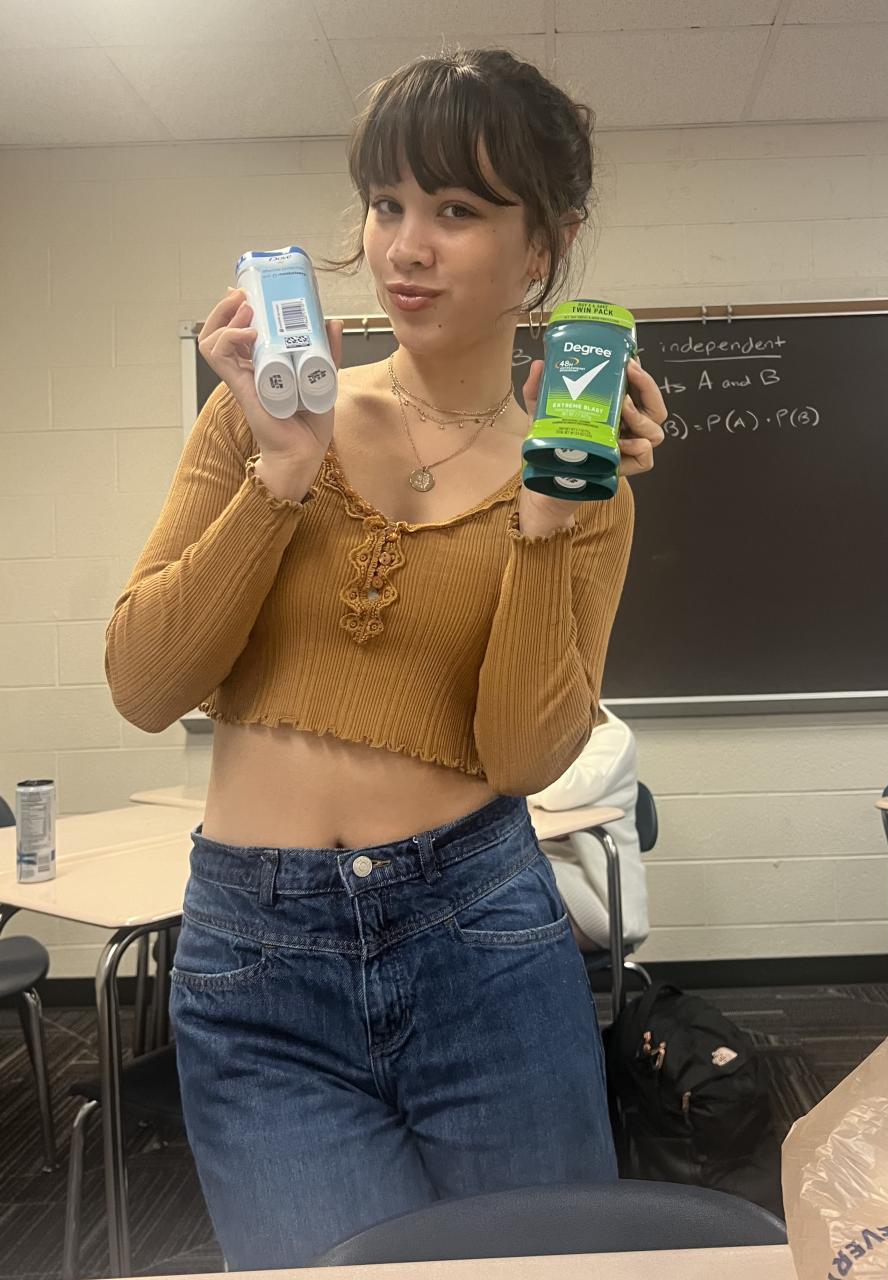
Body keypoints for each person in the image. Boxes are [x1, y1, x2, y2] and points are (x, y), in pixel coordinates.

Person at [104, 47, 666, 1271]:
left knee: (545, 1267)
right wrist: (281, 473)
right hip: (257, 961)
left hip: (483, 934)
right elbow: (144, 684)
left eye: (457, 210)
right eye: (386, 203)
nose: (406, 247)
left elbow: (522, 752)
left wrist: (545, 528)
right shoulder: (258, 415)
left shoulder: (585, 486)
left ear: (545, 245)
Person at [528, 703, 649, 954]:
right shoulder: (540, 731)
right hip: (553, 873)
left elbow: (554, 792)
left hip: (602, 902)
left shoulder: (612, 737)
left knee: (502, 894)